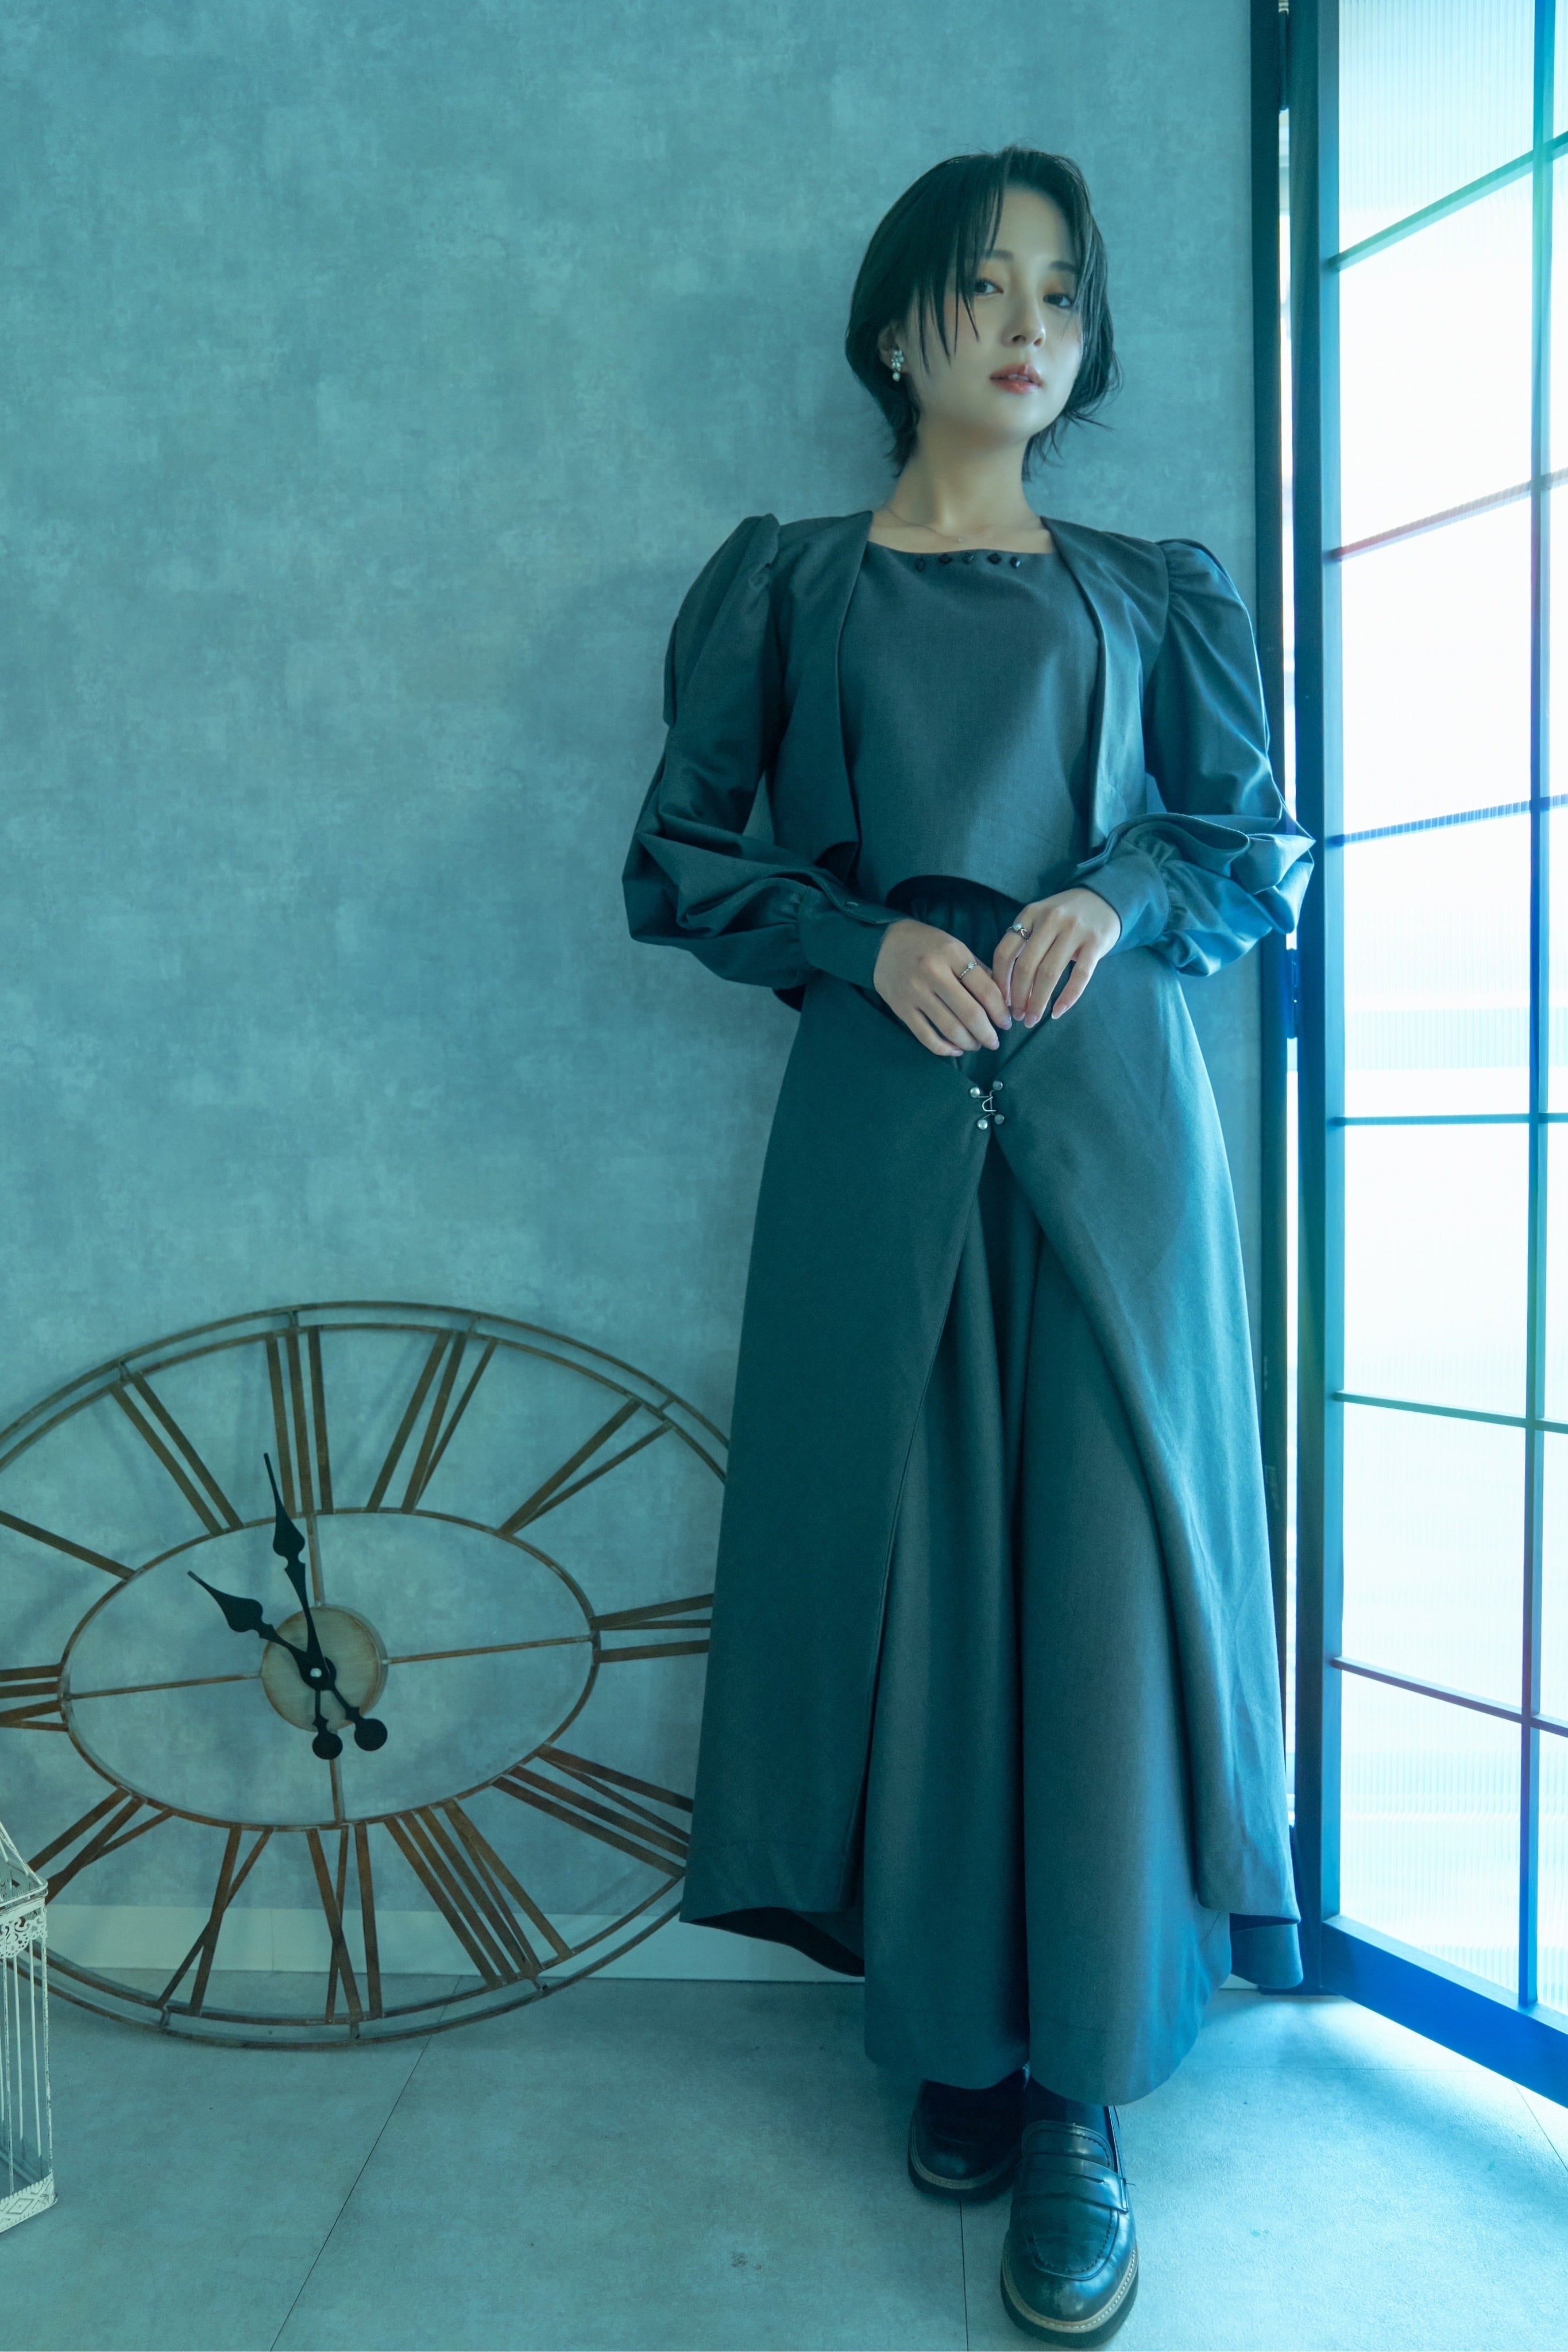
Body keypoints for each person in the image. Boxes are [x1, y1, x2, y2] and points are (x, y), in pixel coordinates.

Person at [622, 144, 1314, 2347]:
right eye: (984, 286)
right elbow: (681, 856)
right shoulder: (786, 587)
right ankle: (953, 2032)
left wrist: (1112, 892)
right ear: (891, 324)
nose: (1029, 328)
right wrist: (859, 938)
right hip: (878, 1121)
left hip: (1115, 1124)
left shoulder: (1155, 592)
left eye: (1061, 295)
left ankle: (1076, 2092)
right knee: (906, 1563)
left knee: (1101, 1565)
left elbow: (1250, 845)